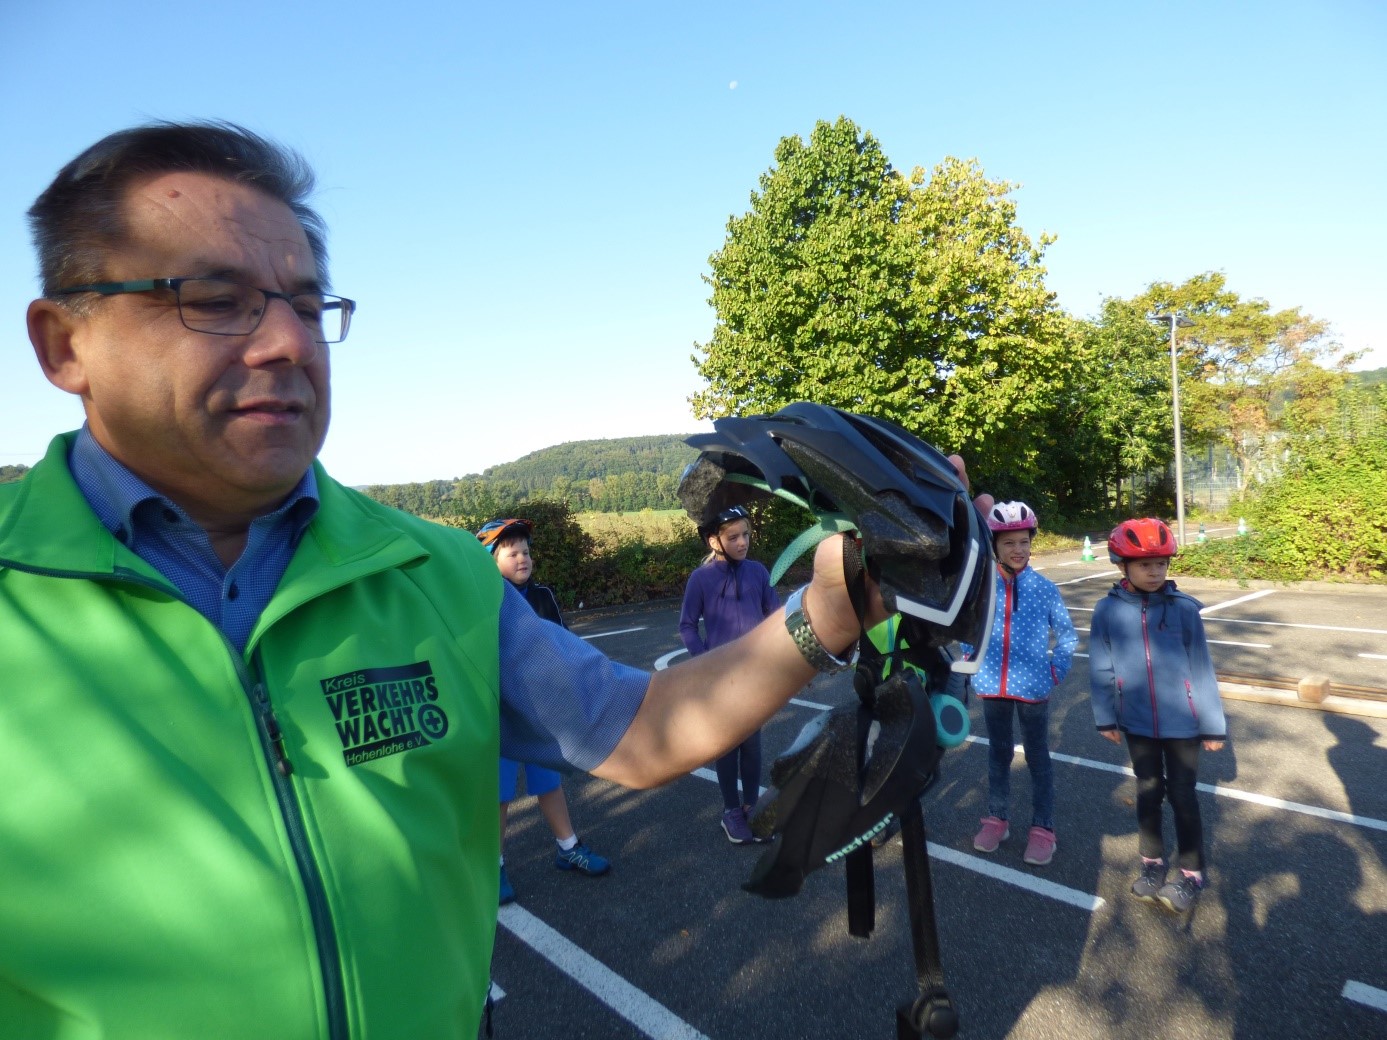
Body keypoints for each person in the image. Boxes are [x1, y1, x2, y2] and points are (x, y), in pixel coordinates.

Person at [1, 121, 885, 1039]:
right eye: (214, 299)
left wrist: (825, 609)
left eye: (307, 307)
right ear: (65, 344)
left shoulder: (436, 570)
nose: (285, 344)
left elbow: (639, 729)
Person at [1088, 517, 1227, 914]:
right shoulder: (1107, 611)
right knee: (1148, 791)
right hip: (1136, 721)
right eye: (1145, 564)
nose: (1154, 572)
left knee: (1183, 795)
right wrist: (1105, 717)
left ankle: (1191, 873)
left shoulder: (1184, 610)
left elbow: (1201, 667)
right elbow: (1101, 667)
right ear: (1122, 566)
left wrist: (1212, 723)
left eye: (1161, 564)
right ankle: (1152, 865)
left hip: (1183, 722)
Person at [476, 518, 611, 903]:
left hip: (542, 712)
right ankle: (494, 865)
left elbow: (563, 647)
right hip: (499, 716)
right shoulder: (483, 604)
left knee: (549, 783)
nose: (523, 558)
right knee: (499, 795)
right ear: (490, 560)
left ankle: (568, 847)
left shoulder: (543, 597)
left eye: (527, 551)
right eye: (512, 552)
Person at [965, 501, 1077, 867]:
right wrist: (971, 660)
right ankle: (997, 819)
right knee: (997, 755)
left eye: (1024, 542)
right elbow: (967, 627)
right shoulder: (982, 588)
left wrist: (1054, 671)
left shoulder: (1044, 589)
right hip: (992, 689)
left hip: (1033, 690)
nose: (1018, 549)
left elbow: (1068, 637)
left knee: (1038, 758)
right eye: (1009, 543)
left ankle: (1043, 829)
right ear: (995, 545)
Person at [678, 504, 781, 844]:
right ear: (714, 541)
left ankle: (752, 806)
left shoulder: (758, 572)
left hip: (755, 675)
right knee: (727, 746)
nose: (742, 542)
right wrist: (705, 661)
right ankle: (730, 810)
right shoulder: (701, 579)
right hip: (720, 679)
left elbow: (775, 616)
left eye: (746, 535)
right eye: (733, 537)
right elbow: (688, 625)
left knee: (752, 745)